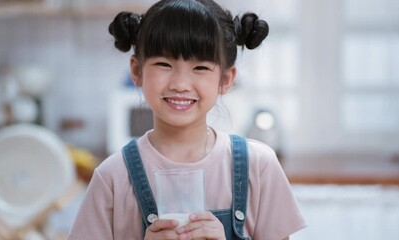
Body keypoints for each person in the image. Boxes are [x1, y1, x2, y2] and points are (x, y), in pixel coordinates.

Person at [67, 0, 306, 239]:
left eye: (200, 67)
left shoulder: (259, 167)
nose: (180, 84)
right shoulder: (112, 177)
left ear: (226, 79)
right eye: (163, 64)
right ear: (137, 71)